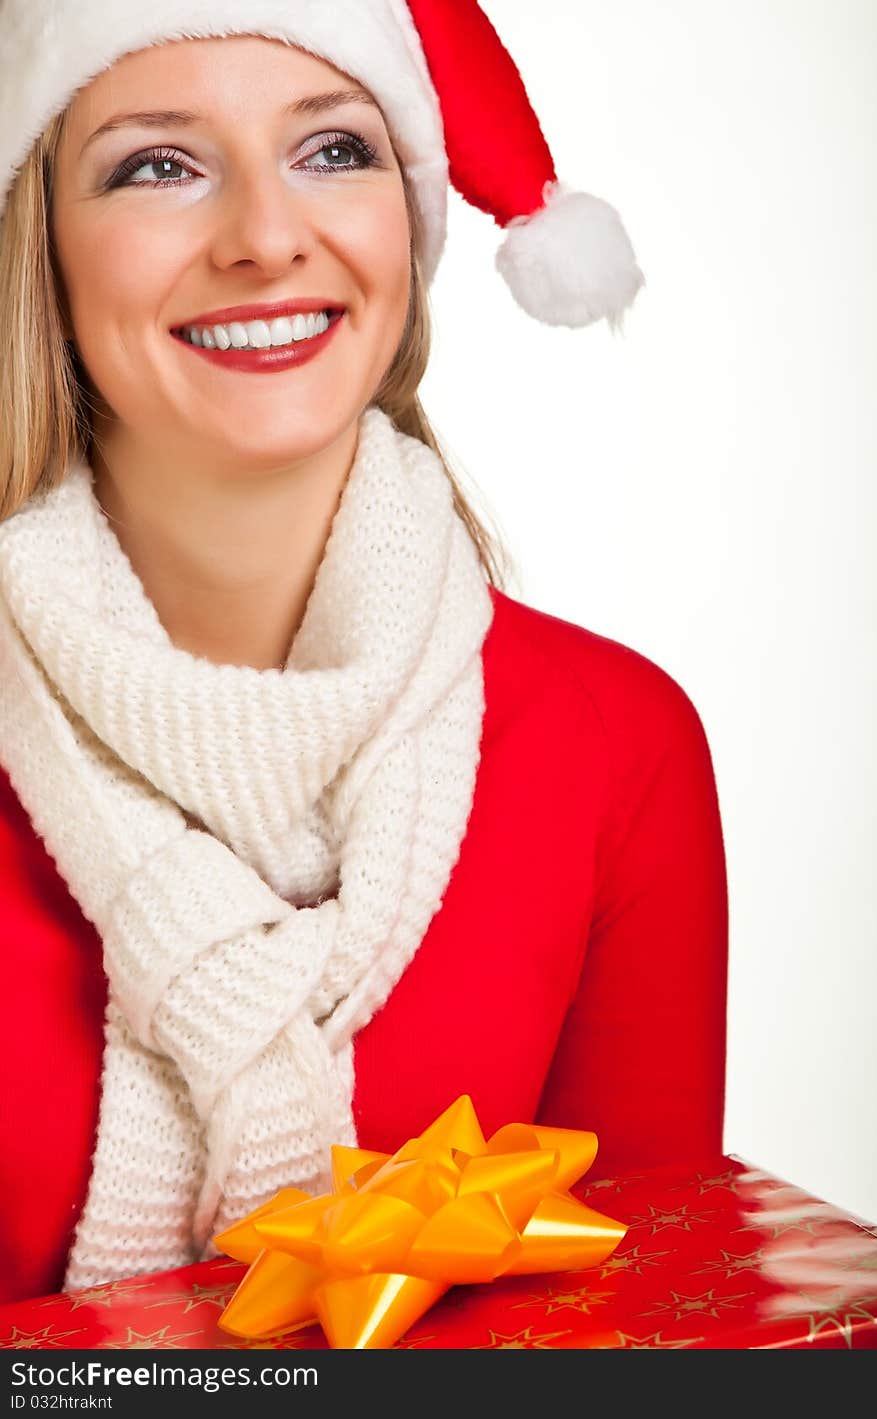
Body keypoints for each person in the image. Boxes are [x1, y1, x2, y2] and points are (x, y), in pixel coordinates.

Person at [0, 1, 728, 1307]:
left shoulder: (616, 748)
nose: (270, 237)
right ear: (39, 244)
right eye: (157, 164)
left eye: (335, 152)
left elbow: (642, 1343)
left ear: (411, 218)